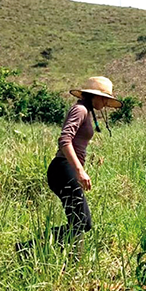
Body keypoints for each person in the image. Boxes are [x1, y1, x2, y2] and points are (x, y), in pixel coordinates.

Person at [46, 76, 121, 248]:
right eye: (103, 98)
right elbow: (65, 140)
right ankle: (32, 247)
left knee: (80, 222)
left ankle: (41, 249)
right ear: (93, 96)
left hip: (67, 169)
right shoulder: (80, 110)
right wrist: (79, 171)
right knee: (81, 222)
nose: (105, 102)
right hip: (63, 169)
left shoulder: (87, 110)